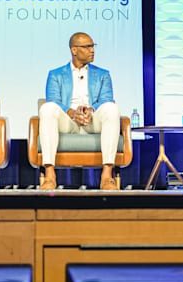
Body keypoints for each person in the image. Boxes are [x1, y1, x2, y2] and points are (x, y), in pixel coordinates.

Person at [36, 31, 122, 191]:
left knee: (112, 108)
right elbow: (54, 99)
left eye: (93, 46)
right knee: (47, 108)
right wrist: (72, 113)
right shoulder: (55, 74)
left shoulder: (103, 74)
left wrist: (90, 109)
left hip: (92, 120)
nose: (92, 50)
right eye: (87, 46)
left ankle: (107, 175)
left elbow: (106, 98)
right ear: (74, 50)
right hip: (68, 122)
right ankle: (49, 174)